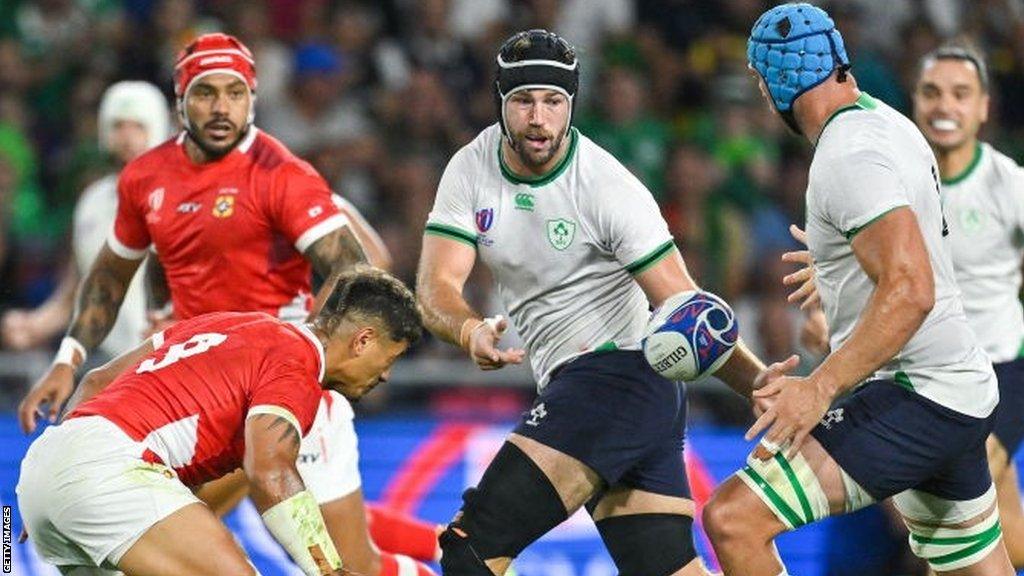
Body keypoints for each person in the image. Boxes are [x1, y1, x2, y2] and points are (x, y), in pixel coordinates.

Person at [17, 33, 439, 576]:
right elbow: (111, 275)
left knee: (331, 547)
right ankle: (453, 549)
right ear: (179, 101)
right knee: (294, 541)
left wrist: (294, 350)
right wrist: (67, 354)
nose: (221, 107)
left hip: (219, 387)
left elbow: (358, 269)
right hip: (210, 386)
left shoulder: (281, 174)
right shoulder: (144, 180)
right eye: (206, 93)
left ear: (254, 99)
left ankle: (448, 548)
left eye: (235, 93)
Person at [416, 29, 785, 576]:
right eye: (522, 101)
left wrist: (761, 386)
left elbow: (686, 310)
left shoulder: (608, 187)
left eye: (553, 101)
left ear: (572, 104)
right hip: (622, 396)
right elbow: (435, 288)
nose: (538, 118)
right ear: (500, 102)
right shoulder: (470, 169)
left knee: (472, 551)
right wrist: (468, 330)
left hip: (615, 379)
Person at [701, 4, 1014, 575]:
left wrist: (818, 389)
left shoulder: (847, 154)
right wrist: (838, 267)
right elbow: (909, 256)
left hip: (916, 394)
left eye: (759, 81)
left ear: (776, 82)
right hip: (957, 389)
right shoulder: (887, 123)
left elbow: (911, 289)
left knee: (733, 519)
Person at [17, 268, 422, 576]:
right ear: (363, 340)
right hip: (110, 472)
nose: (385, 375)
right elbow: (269, 469)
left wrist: (57, 485)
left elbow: (97, 381)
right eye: (389, 359)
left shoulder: (225, 324)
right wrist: (328, 570)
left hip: (45, 468)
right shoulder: (297, 367)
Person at [1, 81, 169, 357]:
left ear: (158, 128)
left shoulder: (181, 199)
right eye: (118, 126)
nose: (127, 136)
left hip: (166, 363)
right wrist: (35, 325)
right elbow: (77, 290)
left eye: (138, 126)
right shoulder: (92, 200)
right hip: (109, 365)